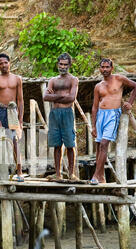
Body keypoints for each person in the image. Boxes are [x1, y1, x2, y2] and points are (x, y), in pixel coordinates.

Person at [90, 58, 136, 184]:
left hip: (113, 115)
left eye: (107, 67)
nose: (105, 69)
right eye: (102, 67)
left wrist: (130, 102)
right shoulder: (98, 86)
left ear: (112, 68)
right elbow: (95, 107)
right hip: (101, 115)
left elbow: (135, 86)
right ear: (100, 69)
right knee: (98, 146)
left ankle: (95, 176)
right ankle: (101, 176)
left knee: (104, 144)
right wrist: (93, 126)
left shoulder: (119, 79)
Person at [43, 53, 79, 181]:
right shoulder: (53, 80)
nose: (62, 67)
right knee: (56, 144)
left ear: (69, 65)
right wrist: (62, 96)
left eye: (65, 64)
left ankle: (71, 174)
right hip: (54, 113)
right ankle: (58, 174)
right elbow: (45, 97)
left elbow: (71, 98)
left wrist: (55, 96)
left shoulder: (73, 80)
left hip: (67, 113)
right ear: (57, 64)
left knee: (70, 144)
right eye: (60, 64)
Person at [0, 53, 25, 181]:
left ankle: (19, 171)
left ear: (9, 63)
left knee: (15, 141)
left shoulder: (17, 79)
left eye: (6, 62)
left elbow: (20, 100)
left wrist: (20, 118)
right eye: (1, 63)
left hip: (12, 110)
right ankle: (0, 173)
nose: (4, 65)